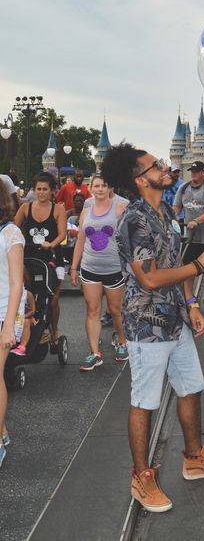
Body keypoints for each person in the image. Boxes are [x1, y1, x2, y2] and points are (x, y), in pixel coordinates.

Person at [101, 144, 204, 513]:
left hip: (175, 318)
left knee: (191, 387)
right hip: (147, 324)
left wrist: (191, 304)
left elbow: (174, 264)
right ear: (140, 179)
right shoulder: (134, 220)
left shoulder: (165, 214)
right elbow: (148, 278)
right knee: (145, 400)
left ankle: (194, 458)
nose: (164, 166)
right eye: (155, 165)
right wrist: (198, 268)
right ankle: (141, 477)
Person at [70, 174, 128, 369]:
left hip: (114, 268)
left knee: (115, 310)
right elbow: (80, 240)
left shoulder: (120, 208)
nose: (100, 189)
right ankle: (95, 353)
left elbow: (131, 237)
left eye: (104, 185)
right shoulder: (86, 212)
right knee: (93, 310)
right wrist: (73, 267)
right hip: (90, 267)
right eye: (97, 185)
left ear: (109, 187)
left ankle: (122, 341)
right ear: (91, 188)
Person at [15, 172, 67, 346]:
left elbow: (62, 234)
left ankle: (55, 329)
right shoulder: (25, 208)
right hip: (29, 257)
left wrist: (50, 244)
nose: (41, 192)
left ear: (52, 191)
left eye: (45, 189)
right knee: (29, 296)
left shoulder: (58, 209)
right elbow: (14, 230)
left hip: (52, 256)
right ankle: (31, 328)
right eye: (38, 189)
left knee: (53, 300)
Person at [0, 179, 26, 468]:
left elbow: (17, 283)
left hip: (5, 311)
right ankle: (3, 429)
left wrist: (8, 325)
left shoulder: (10, 233)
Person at [173, 161, 204, 305]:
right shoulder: (183, 188)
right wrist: (172, 219)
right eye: (191, 171)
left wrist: (197, 221)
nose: (193, 173)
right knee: (189, 266)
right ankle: (189, 297)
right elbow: (176, 207)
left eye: (196, 171)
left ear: (203, 173)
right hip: (191, 236)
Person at [162, 165, 185, 234]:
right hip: (165, 214)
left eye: (178, 172)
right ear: (169, 173)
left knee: (178, 236)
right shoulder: (164, 182)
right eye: (174, 172)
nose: (176, 174)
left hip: (179, 216)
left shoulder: (182, 184)